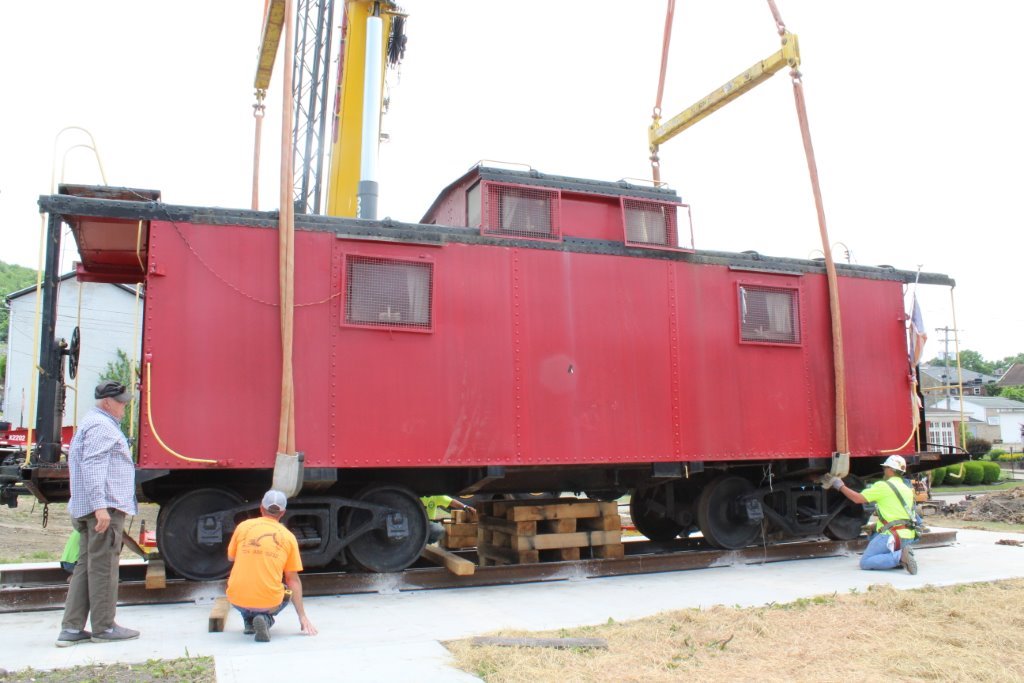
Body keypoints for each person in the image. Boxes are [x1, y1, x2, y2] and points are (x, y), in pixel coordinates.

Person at [56, 380, 140, 647]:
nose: (124, 407)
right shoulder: (102, 427)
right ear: (107, 402)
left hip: (88, 508)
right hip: (103, 511)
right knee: (104, 568)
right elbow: (93, 467)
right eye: (121, 402)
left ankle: (71, 629)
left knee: (85, 567)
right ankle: (104, 627)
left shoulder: (91, 422)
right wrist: (100, 507)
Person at [226, 490, 317, 642]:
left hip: (236, 599)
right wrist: (302, 616)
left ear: (261, 508)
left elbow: (231, 557)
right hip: (268, 603)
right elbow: (292, 580)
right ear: (283, 513)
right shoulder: (288, 537)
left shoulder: (243, 527)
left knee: (239, 582)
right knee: (286, 590)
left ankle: (249, 621)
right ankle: (266, 619)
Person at [825, 455, 919, 575]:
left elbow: (857, 499)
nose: (883, 470)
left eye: (885, 468)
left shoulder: (883, 486)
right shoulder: (907, 489)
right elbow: (900, 513)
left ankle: (899, 557)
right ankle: (900, 556)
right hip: (908, 535)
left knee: (866, 562)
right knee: (874, 536)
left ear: (890, 470)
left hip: (892, 536)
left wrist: (840, 486)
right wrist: (875, 526)